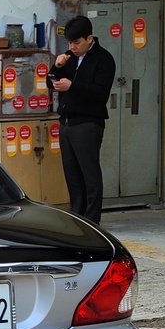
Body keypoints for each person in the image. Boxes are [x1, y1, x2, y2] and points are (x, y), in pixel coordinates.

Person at [48, 15, 115, 225]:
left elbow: (100, 94)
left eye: (76, 42)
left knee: (90, 175)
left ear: (89, 38)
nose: (72, 47)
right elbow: (51, 84)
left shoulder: (103, 59)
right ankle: (78, 218)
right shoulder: (69, 57)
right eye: (69, 42)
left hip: (87, 124)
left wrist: (72, 86)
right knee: (72, 175)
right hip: (66, 123)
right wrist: (56, 67)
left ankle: (92, 221)